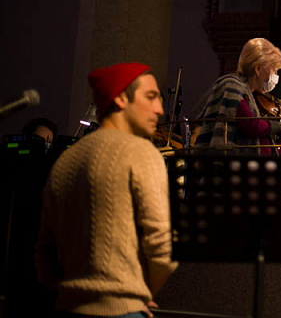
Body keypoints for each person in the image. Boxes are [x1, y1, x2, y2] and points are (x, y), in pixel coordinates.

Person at [36, 62, 176, 316]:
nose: (160, 109)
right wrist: (137, 293)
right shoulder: (141, 152)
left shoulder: (66, 160)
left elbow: (45, 254)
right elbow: (161, 244)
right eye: (151, 97)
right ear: (121, 98)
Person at [193, 37, 281, 155]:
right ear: (258, 69)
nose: (275, 77)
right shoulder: (232, 84)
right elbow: (249, 124)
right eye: (274, 70)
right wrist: (274, 126)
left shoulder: (248, 92)